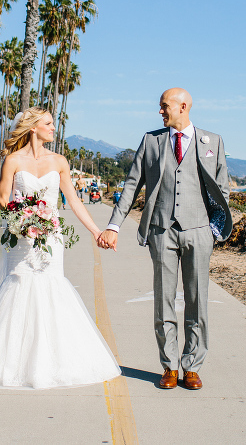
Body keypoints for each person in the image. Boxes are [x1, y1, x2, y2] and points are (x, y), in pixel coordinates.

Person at [0, 108, 121, 389]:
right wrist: (23, 216)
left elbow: (75, 201)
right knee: (18, 286)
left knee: (51, 287)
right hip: (21, 238)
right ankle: (11, 363)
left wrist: (96, 231)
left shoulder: (59, 161)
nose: (53, 128)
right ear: (33, 128)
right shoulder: (13, 160)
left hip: (51, 238)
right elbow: (3, 198)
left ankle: (53, 361)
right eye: (49, 124)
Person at [98, 88, 232, 391]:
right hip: (161, 230)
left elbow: (222, 190)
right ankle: (170, 365)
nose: (160, 111)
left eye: (164, 106)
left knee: (198, 300)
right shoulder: (151, 141)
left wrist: (213, 230)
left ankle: (193, 366)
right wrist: (114, 225)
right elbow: (131, 185)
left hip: (199, 232)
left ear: (182, 106)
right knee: (164, 299)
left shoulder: (213, 141)